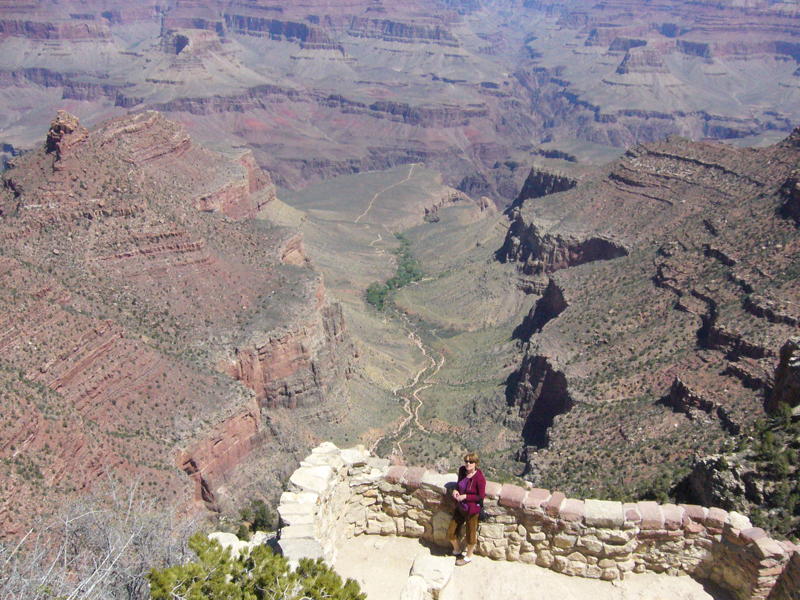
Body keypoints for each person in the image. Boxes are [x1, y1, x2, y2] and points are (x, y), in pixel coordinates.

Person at [447, 452, 486, 566]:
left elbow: (481, 496)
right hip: (460, 508)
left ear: (476, 463)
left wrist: (466, 497)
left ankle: (468, 557)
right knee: (451, 532)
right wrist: (455, 490)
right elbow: (459, 483)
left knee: (471, 534)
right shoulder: (462, 471)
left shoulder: (479, 478)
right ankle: (457, 550)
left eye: (471, 462)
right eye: (466, 461)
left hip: (472, 510)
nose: (468, 464)